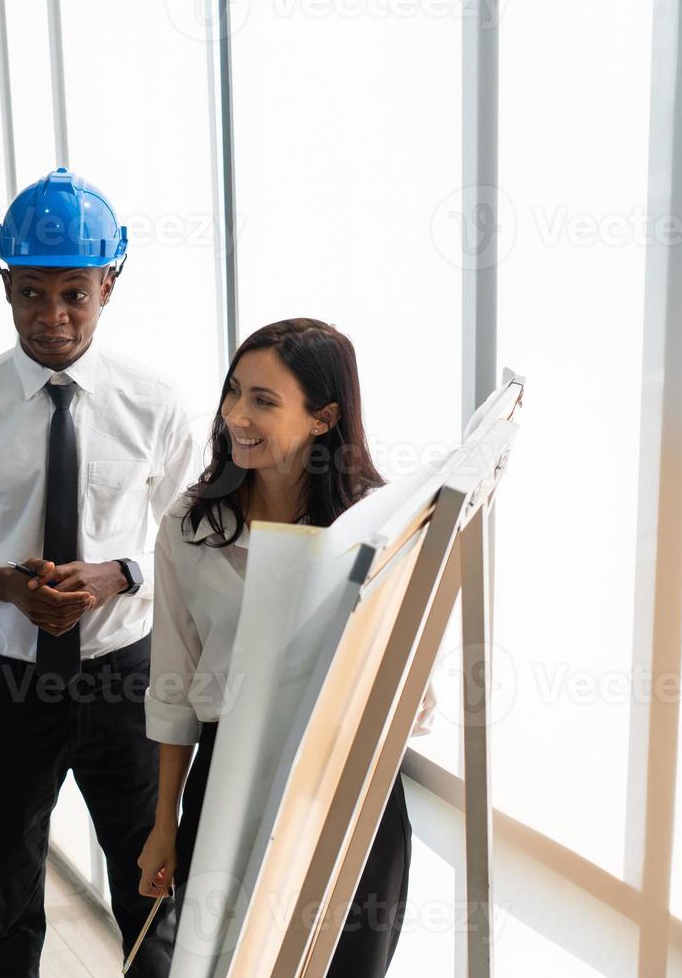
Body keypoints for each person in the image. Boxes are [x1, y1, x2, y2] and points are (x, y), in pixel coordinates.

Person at [0, 168, 197, 977]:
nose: (53, 317)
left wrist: (119, 574)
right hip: (13, 687)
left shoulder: (156, 405)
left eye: (75, 293)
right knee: (9, 898)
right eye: (30, 293)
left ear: (110, 282)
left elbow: (194, 543)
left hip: (125, 684)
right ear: (4, 284)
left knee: (151, 894)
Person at [137, 318, 413, 977]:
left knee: (344, 964)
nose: (235, 415)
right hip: (224, 773)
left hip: (345, 784)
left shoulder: (378, 528)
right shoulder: (189, 522)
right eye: (233, 392)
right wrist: (164, 821)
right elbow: (173, 683)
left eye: (263, 400)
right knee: (226, 961)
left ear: (323, 419)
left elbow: (408, 689)